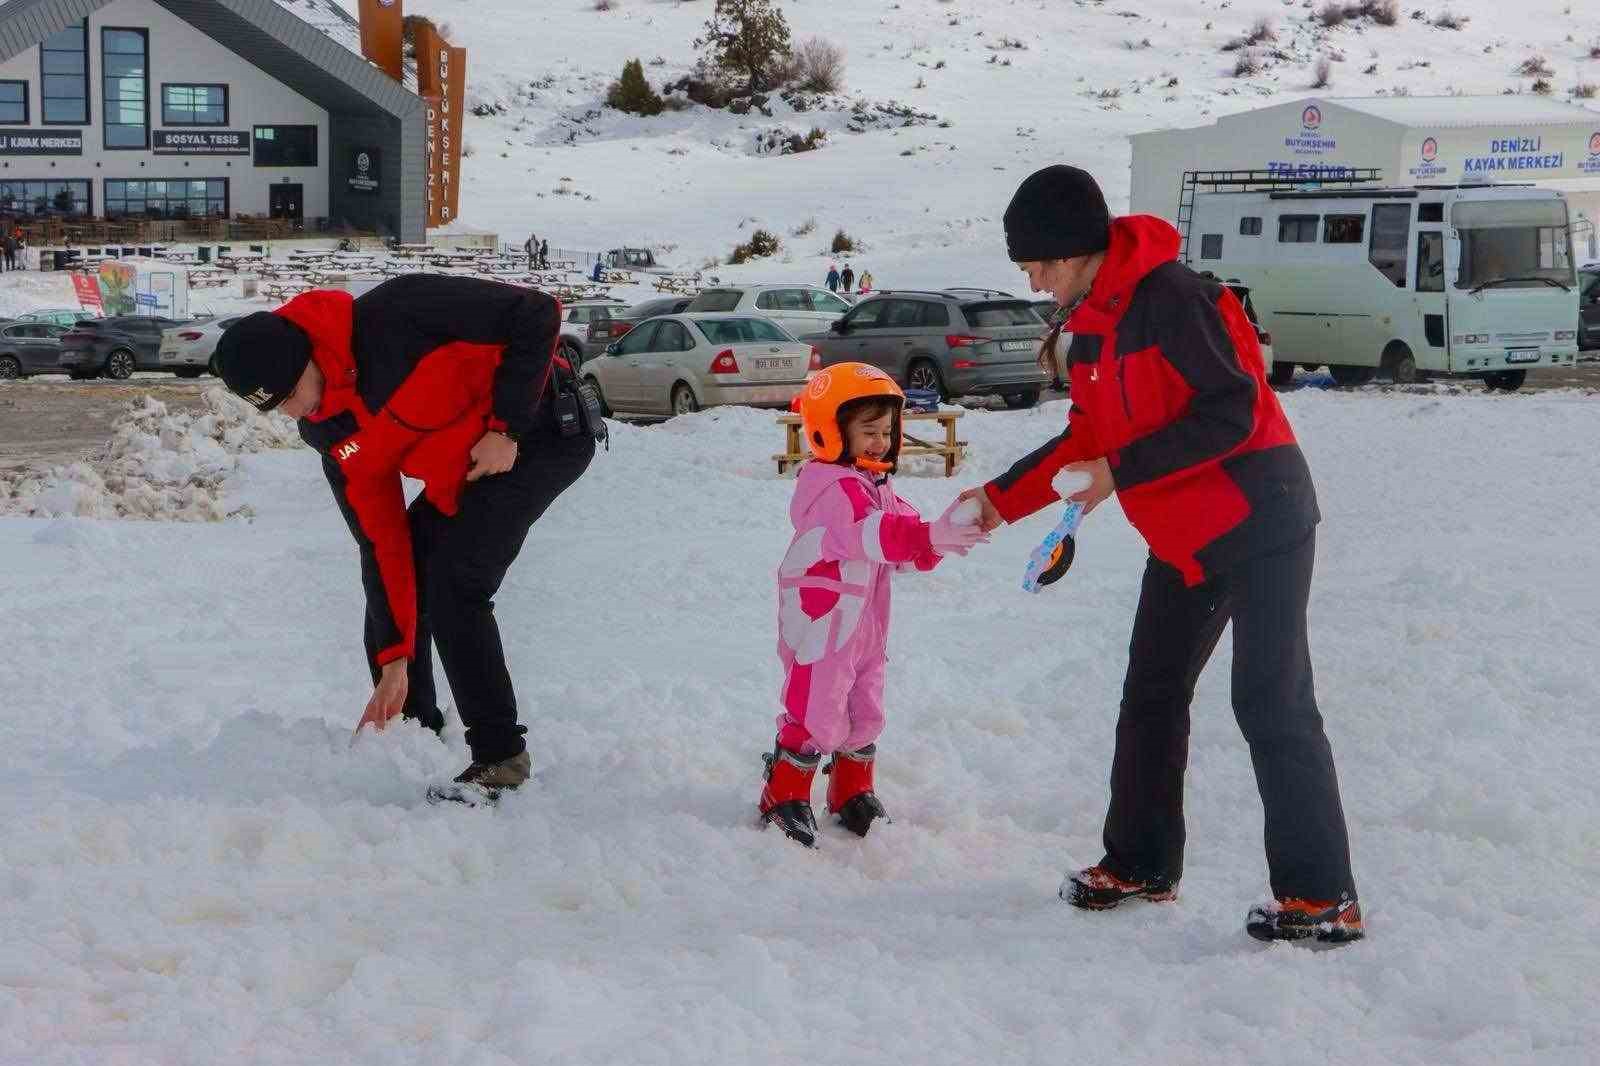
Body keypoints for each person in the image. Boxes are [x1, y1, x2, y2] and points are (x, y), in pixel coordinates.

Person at [961, 165, 1363, 945]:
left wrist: (1121, 470)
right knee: (1150, 692)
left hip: (1261, 515)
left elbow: (1234, 411)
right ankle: (1142, 863)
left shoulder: (1173, 297)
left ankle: (1322, 897)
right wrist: (994, 503)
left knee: (1270, 700)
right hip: (1185, 539)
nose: (1037, 282)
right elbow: (1086, 437)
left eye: (1041, 264)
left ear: (1079, 249)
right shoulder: (1088, 327)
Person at [214, 275, 596, 804]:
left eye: (288, 396)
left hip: (539, 433)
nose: (292, 413)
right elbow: (381, 541)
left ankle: (500, 759)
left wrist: (505, 427)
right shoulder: (331, 432)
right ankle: (412, 725)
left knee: (453, 584)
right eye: (274, 408)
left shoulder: (401, 314)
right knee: (400, 578)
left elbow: (537, 313)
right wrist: (394, 656)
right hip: (463, 470)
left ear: (306, 358)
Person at [761, 364, 987, 847]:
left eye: (887, 431)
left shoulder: (874, 485)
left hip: (865, 627)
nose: (880, 442)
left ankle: (850, 789)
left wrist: (940, 539)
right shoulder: (831, 488)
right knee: (816, 709)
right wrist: (925, 536)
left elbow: (904, 539)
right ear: (829, 430)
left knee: (865, 709)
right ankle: (783, 791)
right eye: (868, 431)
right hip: (823, 623)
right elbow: (875, 535)